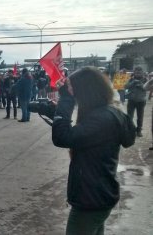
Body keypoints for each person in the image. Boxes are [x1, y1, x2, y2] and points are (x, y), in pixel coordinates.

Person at [52, 67, 136, 235]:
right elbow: (81, 137)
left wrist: (66, 100)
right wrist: (59, 115)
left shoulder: (100, 119)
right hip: (100, 194)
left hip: (90, 199)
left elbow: (62, 138)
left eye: (73, 90)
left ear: (85, 91)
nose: (72, 95)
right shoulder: (109, 113)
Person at [125, 66, 147, 137]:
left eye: (139, 72)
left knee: (140, 117)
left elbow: (148, 88)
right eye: (136, 72)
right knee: (129, 116)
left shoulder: (145, 79)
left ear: (142, 73)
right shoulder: (131, 79)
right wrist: (133, 83)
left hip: (141, 101)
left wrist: (141, 86)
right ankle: (130, 130)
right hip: (131, 100)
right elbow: (126, 86)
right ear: (134, 73)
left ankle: (139, 130)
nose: (138, 74)